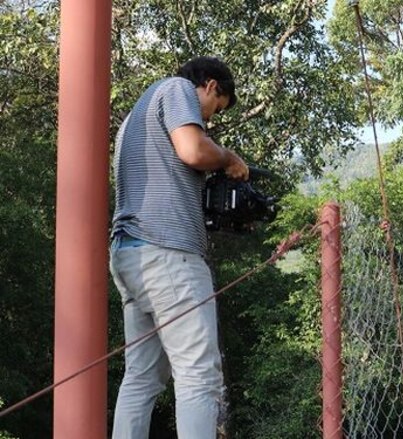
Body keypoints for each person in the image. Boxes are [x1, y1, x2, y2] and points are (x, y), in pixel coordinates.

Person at [109, 56, 248, 438]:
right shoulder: (177, 89)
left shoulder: (134, 118)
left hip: (131, 254)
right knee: (199, 375)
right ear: (211, 86)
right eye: (216, 108)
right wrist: (228, 158)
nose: (210, 120)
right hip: (168, 255)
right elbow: (193, 151)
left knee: (141, 377)